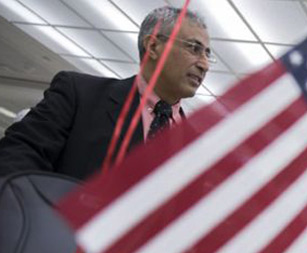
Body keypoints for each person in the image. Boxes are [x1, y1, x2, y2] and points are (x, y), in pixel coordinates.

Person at [0, 6, 211, 180]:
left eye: (207, 54)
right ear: (153, 46)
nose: (204, 65)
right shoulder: (79, 95)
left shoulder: (199, 144)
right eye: (194, 48)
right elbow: (16, 157)